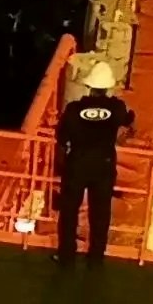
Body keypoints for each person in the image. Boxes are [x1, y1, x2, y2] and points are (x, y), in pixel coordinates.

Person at [57, 57, 136, 264]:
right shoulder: (117, 108)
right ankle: (96, 256)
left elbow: (62, 136)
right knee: (100, 212)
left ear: (89, 86)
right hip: (104, 164)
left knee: (69, 211)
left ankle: (66, 254)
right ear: (108, 87)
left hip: (77, 163)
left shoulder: (74, 109)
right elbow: (128, 121)